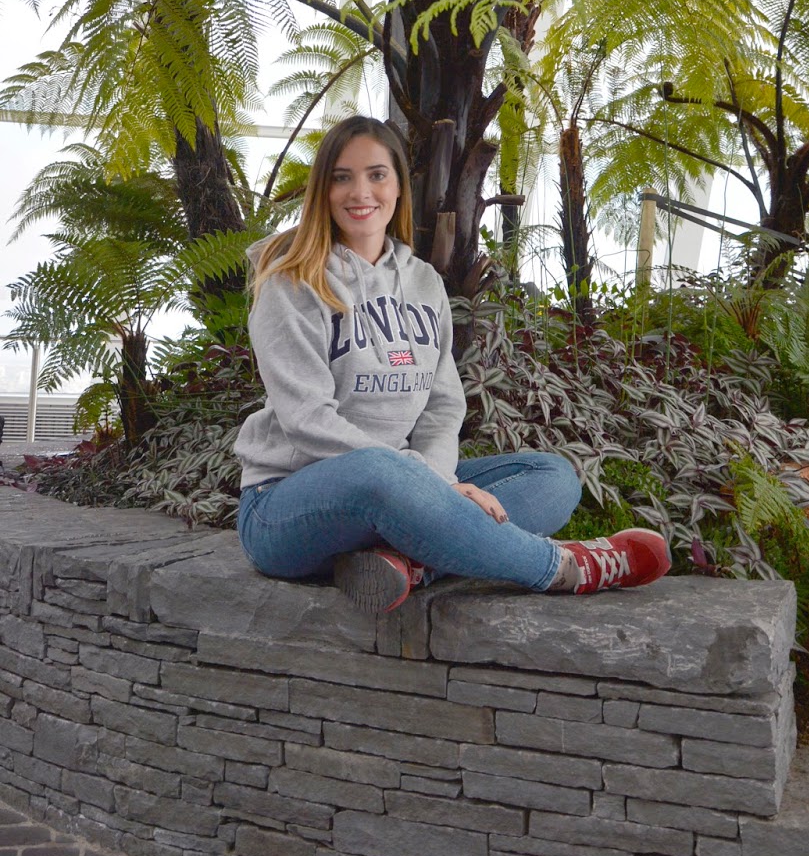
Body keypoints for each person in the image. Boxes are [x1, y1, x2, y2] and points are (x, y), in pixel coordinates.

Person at [235, 114, 671, 613]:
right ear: (323, 190)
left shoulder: (423, 282)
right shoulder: (292, 281)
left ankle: (410, 560)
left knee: (553, 476)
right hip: (284, 506)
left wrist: (435, 482)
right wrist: (438, 485)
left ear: (399, 186)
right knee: (379, 471)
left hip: (408, 482)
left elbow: (442, 408)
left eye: (377, 175)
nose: (360, 192)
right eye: (342, 177)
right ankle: (563, 568)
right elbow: (307, 420)